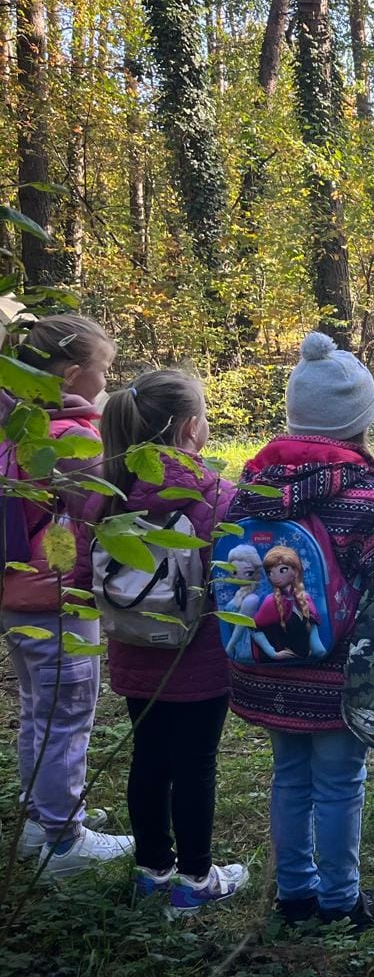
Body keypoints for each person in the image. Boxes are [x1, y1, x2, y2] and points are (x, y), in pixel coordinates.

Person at [227, 333, 374, 929]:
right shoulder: (361, 497)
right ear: (360, 422)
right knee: (339, 783)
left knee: (289, 778)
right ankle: (338, 900)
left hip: (265, 666)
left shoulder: (251, 488)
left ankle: (294, 894)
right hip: (334, 674)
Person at [70, 369, 245, 910]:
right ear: (192, 428)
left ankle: (152, 870)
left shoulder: (104, 496)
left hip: (133, 655)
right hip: (200, 662)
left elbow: (80, 581)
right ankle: (195, 881)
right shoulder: (214, 494)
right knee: (195, 766)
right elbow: (238, 581)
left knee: (148, 759)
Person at [1, 314, 132, 878]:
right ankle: (62, 840)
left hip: (16, 595)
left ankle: (41, 816)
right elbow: (108, 506)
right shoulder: (74, 438)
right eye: (104, 371)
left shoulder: (17, 428)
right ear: (75, 374)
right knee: (69, 713)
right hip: (60, 595)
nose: (108, 381)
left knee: (39, 711)